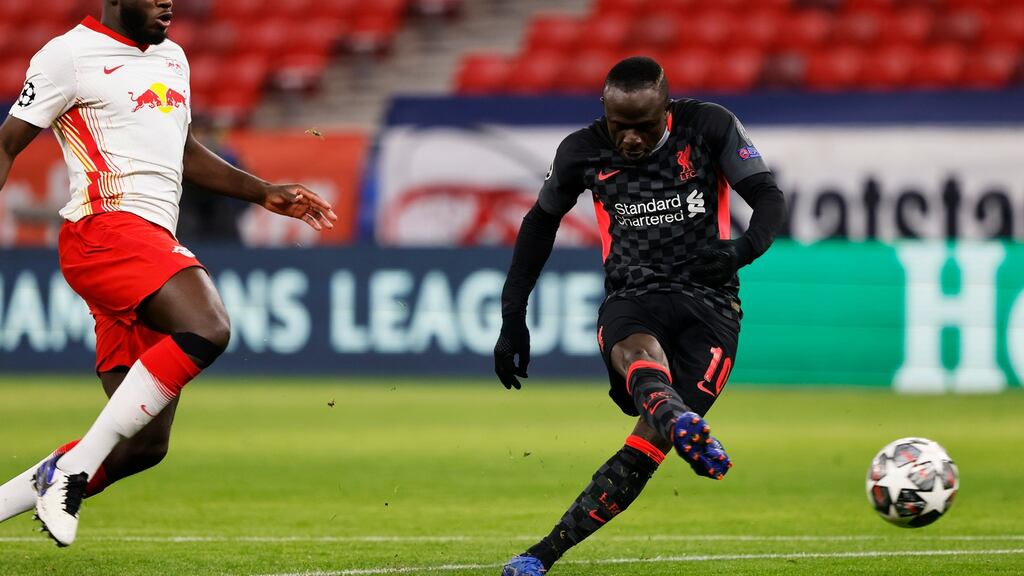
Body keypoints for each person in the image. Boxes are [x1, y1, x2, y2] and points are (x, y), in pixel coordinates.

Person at [0, 0, 336, 547]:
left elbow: (182, 151)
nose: (167, 2)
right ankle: (72, 470)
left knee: (142, 444)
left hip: (149, 243)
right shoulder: (68, 56)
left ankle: (49, 479)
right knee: (209, 325)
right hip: (105, 231)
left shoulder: (172, 59)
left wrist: (263, 192)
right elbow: (7, 143)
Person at [493, 56, 786, 575]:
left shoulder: (708, 125)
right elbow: (539, 224)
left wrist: (740, 251)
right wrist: (512, 314)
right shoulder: (581, 150)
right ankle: (679, 421)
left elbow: (766, 196)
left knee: (647, 441)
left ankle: (542, 555)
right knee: (638, 360)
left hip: (712, 303)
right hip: (634, 293)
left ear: (666, 110)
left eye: (643, 127)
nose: (628, 138)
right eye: (618, 125)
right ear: (603, 111)